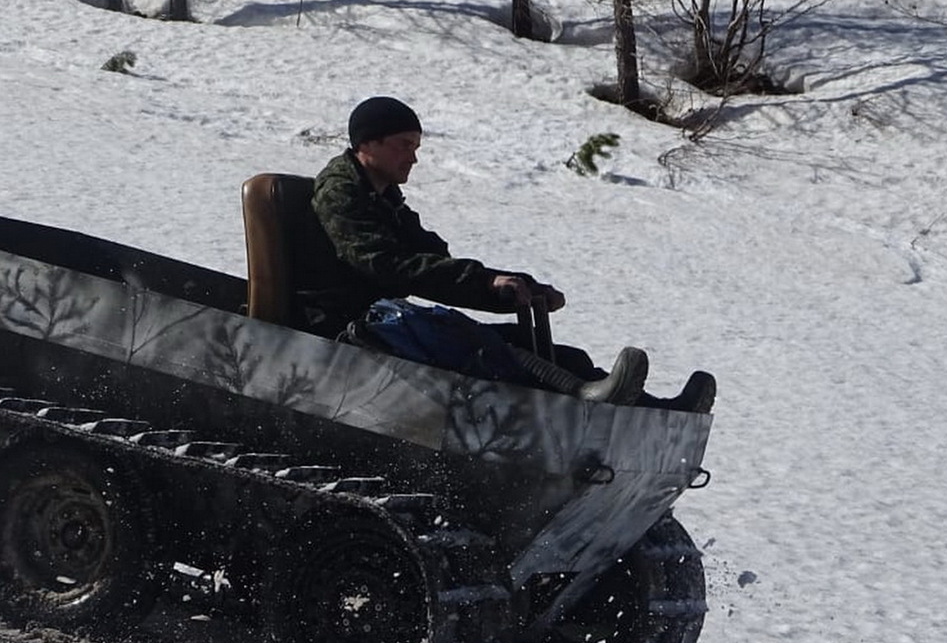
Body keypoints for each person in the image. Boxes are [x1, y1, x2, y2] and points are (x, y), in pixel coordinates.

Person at [299, 95, 714, 412]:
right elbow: (385, 266)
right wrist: (483, 284)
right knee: (493, 353)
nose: (414, 156)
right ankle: (588, 400)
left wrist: (514, 287)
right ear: (368, 143)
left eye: (417, 145)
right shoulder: (341, 191)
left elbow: (431, 258)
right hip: (349, 328)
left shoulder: (383, 196)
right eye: (404, 144)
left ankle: (644, 408)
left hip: (386, 319)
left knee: (531, 344)